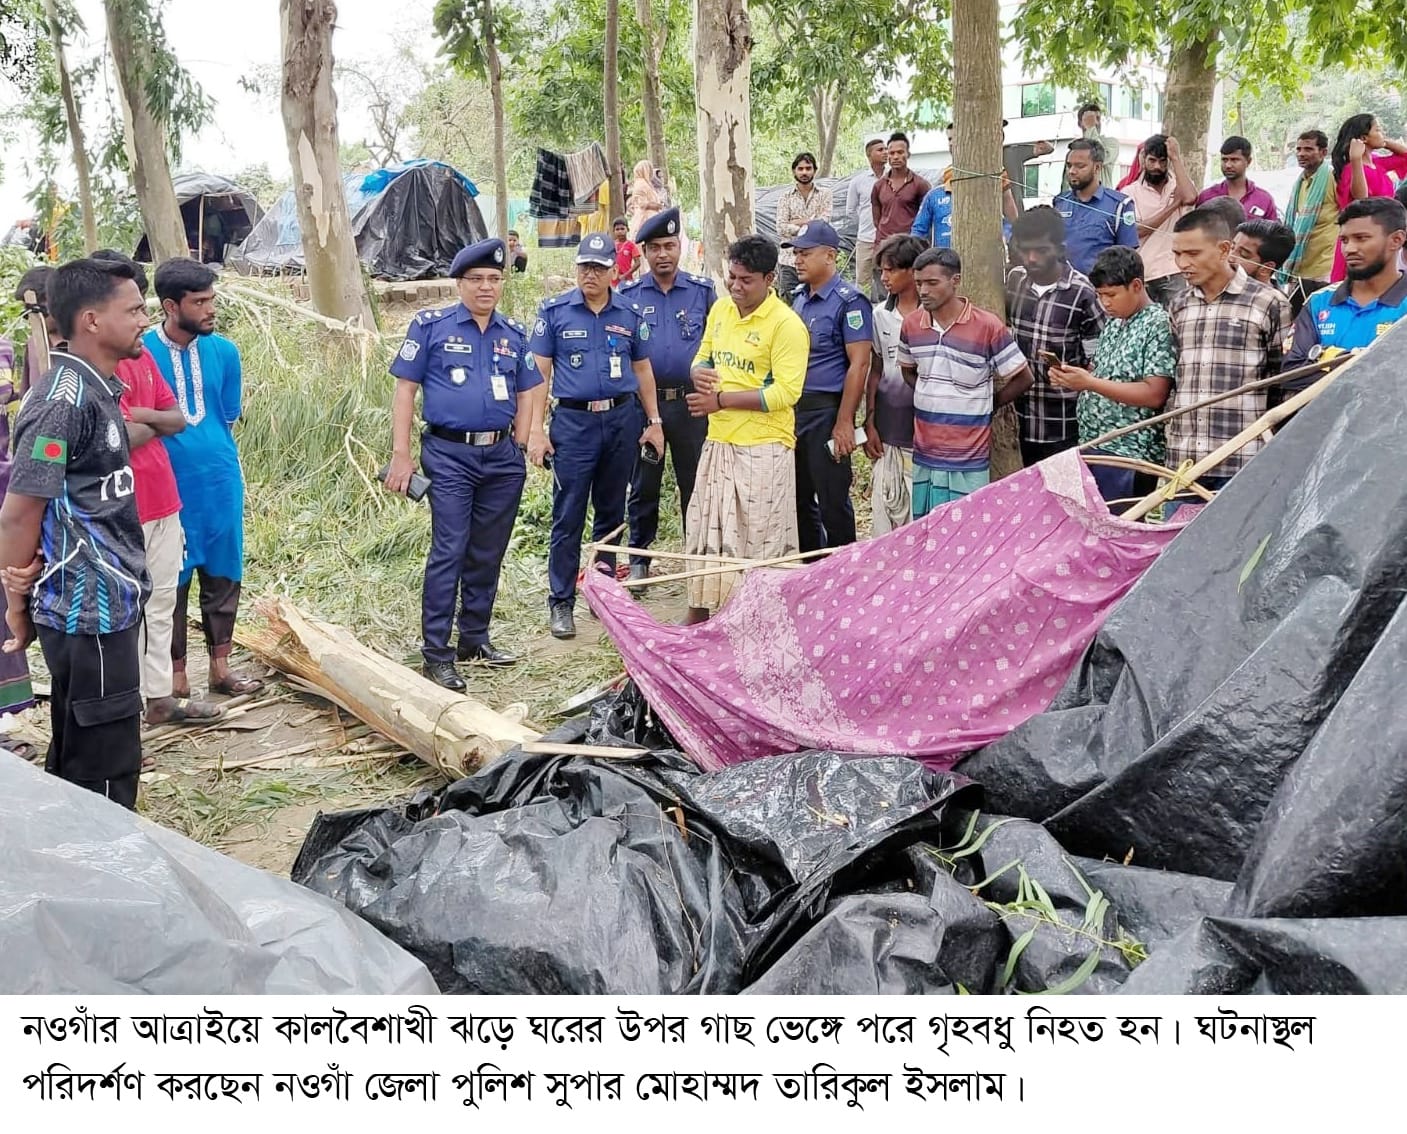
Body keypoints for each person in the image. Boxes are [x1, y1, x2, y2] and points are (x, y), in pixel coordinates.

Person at [0, 258, 151, 808]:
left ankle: (76, 867)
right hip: (90, 612)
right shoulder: (62, 402)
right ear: (91, 319)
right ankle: (107, 878)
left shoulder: (98, 387)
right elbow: (20, 512)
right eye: (133, 308)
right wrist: (16, 604)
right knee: (105, 771)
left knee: (80, 751)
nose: (143, 318)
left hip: (102, 606)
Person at [387, 240, 539, 688]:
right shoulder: (430, 325)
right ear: (460, 283)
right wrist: (401, 454)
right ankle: (437, 651)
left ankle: (475, 637)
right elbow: (405, 390)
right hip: (449, 455)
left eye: (494, 279)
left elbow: (531, 385)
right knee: (449, 550)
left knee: (488, 550)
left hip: (501, 458)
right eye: (476, 280)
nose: (486, 287)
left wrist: (523, 437)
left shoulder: (513, 332)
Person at [93, 250, 220, 727]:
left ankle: (160, 697)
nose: (141, 318)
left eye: (140, 306)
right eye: (133, 310)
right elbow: (112, 439)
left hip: (164, 499)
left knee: (162, 602)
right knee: (123, 613)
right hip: (120, 508)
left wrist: (141, 418)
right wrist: (151, 423)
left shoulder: (142, 355)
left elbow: (176, 419)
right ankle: (123, 712)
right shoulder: (85, 371)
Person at [527, 231, 665, 639]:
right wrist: (536, 430)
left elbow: (643, 371)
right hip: (574, 423)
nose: (590, 274)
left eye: (599, 267)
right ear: (576, 269)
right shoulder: (554, 313)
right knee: (568, 513)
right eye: (585, 266)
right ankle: (561, 601)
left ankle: (602, 591)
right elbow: (538, 376)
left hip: (621, 422)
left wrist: (654, 422)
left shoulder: (629, 314)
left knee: (611, 511)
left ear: (613, 271)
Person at [146, 259, 261, 699]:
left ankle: (221, 668)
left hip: (219, 478)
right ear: (171, 306)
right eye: (200, 302)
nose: (211, 309)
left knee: (223, 570)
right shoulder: (142, 354)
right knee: (171, 576)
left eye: (212, 299)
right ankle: (176, 677)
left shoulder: (225, 352)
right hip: (167, 486)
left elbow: (226, 415)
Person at [680, 235, 808, 624]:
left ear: (769, 279)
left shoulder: (787, 326)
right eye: (731, 277)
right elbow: (702, 357)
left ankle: (753, 620)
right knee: (705, 529)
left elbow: (786, 393)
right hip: (719, 441)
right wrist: (698, 375)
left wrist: (720, 401)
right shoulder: (720, 310)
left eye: (745, 280)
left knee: (758, 538)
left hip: (764, 447)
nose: (735, 286)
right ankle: (699, 612)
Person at [1163, 208, 1289, 511]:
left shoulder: (1268, 303)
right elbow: (1176, 380)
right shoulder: (1178, 305)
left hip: (1242, 461)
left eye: (1192, 253)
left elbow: (1280, 383)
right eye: (1177, 254)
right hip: (1184, 463)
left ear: (1223, 249)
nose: (1182, 264)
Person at [619, 208, 716, 582]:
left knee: (696, 481)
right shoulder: (628, 295)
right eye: (655, 247)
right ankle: (640, 559)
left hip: (692, 404)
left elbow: (716, 343)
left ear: (681, 247)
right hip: (646, 406)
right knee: (644, 484)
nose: (663, 254)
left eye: (670, 246)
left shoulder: (702, 292)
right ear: (644, 252)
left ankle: (698, 558)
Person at [898, 248, 1033, 517]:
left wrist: (988, 404)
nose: (923, 290)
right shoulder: (912, 325)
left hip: (968, 455)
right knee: (927, 524)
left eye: (932, 283)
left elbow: (1024, 377)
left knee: (968, 529)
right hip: (925, 450)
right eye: (919, 283)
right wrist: (933, 394)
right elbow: (908, 371)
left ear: (955, 280)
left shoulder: (987, 326)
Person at [1048, 246, 1176, 503]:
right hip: (1096, 445)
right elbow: (1102, 374)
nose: (1105, 303)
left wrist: (1090, 383)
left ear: (1137, 286)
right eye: (1099, 295)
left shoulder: (1157, 323)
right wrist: (1074, 378)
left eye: (1111, 295)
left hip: (1129, 453)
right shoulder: (1115, 323)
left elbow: (1154, 393)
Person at [785, 219, 872, 552]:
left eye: (806, 253)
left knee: (832, 499)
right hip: (795, 412)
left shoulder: (849, 301)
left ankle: (844, 573)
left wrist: (845, 421)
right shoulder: (798, 300)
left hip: (826, 411)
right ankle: (813, 569)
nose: (798, 260)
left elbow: (859, 363)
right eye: (796, 254)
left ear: (830, 256)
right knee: (798, 497)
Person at [1004, 206, 1107, 465]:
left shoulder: (1083, 294)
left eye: (1041, 250)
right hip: (1017, 421)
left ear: (1060, 249)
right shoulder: (1014, 282)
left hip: (1062, 424)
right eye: (1024, 250)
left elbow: (1099, 363)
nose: (1031, 259)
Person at [1282, 197, 1407, 372]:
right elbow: (1293, 370)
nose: (1349, 249)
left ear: (1397, 240)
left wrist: (1323, 358)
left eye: (1361, 238)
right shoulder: (1320, 301)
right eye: (1345, 240)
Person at [865, 234, 925, 533]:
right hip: (890, 428)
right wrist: (871, 420)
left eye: (891, 270)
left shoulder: (933, 315)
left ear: (913, 271)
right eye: (882, 271)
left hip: (926, 430)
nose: (884, 277)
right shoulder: (879, 316)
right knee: (886, 507)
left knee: (919, 514)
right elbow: (875, 369)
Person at [1330, 114, 1407, 282]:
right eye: (1378, 130)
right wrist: (1356, 159)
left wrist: (1383, 141)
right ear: (1364, 137)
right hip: (1362, 237)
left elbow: (1405, 156)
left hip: (1381, 235)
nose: (1382, 133)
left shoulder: (1377, 164)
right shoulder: (1352, 168)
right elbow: (1361, 200)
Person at [1123, 134, 1197, 307]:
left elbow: (1191, 197)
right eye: (1152, 160)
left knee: (1175, 323)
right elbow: (1137, 231)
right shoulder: (1129, 192)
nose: (1157, 166)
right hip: (1144, 274)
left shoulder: (1178, 185)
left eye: (1163, 161)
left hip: (1173, 271)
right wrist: (1173, 205)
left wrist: (1176, 158)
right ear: (1143, 159)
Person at [1052, 139, 1139, 275]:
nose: (1072, 171)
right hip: (1064, 290)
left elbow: (1128, 258)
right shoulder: (1060, 202)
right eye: (1069, 166)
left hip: (1100, 291)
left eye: (1080, 166)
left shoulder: (1120, 205)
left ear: (1097, 167)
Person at [1282, 130, 1337, 311]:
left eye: (1308, 149)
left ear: (1323, 152)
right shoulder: (1300, 182)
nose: (1301, 154)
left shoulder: (1332, 178)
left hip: (1324, 268)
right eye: (1298, 149)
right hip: (1300, 267)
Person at [774, 151, 833, 297]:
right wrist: (809, 223)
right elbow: (781, 228)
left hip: (815, 261)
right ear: (794, 171)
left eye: (808, 168)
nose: (804, 172)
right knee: (789, 306)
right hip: (789, 260)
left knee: (816, 302)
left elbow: (822, 224)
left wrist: (795, 223)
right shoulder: (785, 197)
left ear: (814, 170)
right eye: (800, 169)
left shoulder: (825, 194)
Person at [871, 132, 931, 253]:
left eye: (900, 152)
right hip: (884, 245)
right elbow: (877, 220)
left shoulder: (920, 184)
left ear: (908, 154)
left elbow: (927, 218)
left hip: (910, 247)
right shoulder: (879, 186)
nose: (896, 157)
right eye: (892, 153)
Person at [1196, 136, 1280, 220]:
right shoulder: (1207, 197)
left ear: (1248, 161)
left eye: (1234, 160)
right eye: (1224, 160)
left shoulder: (1264, 199)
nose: (1228, 165)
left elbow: (1273, 231)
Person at [846, 139, 887, 295]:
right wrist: (865, 226)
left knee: (888, 280)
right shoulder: (858, 182)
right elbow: (850, 210)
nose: (885, 152)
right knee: (863, 283)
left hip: (888, 239)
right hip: (866, 240)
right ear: (869, 156)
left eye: (885, 149)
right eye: (880, 150)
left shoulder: (894, 178)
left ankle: (888, 315)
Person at [1231, 220, 1296, 289]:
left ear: (1266, 269)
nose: (1230, 257)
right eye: (1231, 247)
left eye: (1243, 254)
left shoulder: (1269, 299)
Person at [1076, 103, 1122, 189]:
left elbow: (1100, 156)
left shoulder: (1111, 143)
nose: (1095, 122)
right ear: (1080, 123)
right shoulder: (1074, 148)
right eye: (1090, 119)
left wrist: (1090, 128)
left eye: (1098, 118)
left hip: (1102, 199)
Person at [627, 160, 664, 238]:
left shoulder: (646, 183)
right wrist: (655, 205)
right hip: (645, 218)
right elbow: (642, 204)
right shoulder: (641, 184)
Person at [612, 217, 642, 285]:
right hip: (613, 278)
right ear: (613, 231)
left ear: (627, 229)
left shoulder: (631, 245)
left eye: (622, 229)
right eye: (617, 229)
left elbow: (637, 263)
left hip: (626, 279)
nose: (620, 231)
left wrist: (625, 275)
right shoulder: (611, 245)